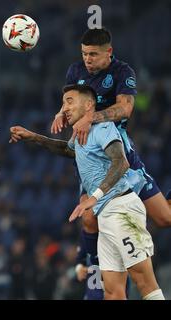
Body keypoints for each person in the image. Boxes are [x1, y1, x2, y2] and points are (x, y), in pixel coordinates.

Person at [9, 84, 164, 300]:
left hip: (122, 209)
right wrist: (33, 137)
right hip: (106, 215)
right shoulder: (80, 133)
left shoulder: (102, 128)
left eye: (70, 101)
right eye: (63, 103)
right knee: (111, 291)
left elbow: (121, 163)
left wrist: (94, 197)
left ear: (89, 104)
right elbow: (67, 150)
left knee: (144, 281)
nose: (65, 108)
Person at [50, 27, 171, 297]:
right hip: (93, 155)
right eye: (84, 54)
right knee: (90, 217)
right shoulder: (75, 71)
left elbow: (125, 108)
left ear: (109, 53)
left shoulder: (122, 73)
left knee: (164, 219)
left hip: (117, 147)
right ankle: (93, 265)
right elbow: (70, 99)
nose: (88, 60)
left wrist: (90, 118)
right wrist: (62, 112)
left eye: (93, 54)